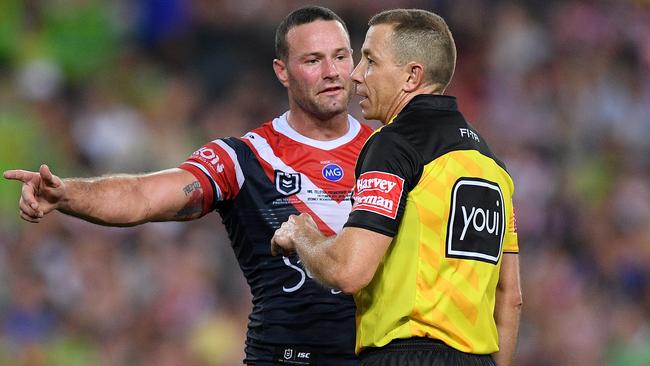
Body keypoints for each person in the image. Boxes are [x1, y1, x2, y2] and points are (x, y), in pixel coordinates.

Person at [4, 6, 372, 366]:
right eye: (312, 61)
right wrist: (68, 193)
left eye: (340, 57)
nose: (331, 72)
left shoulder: (391, 155)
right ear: (282, 71)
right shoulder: (244, 157)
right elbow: (142, 197)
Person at [271, 9, 522, 366]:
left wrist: (302, 234)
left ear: (411, 76)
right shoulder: (493, 166)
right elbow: (510, 297)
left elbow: (349, 271)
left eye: (370, 61)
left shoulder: (393, 144)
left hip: (404, 354)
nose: (356, 75)